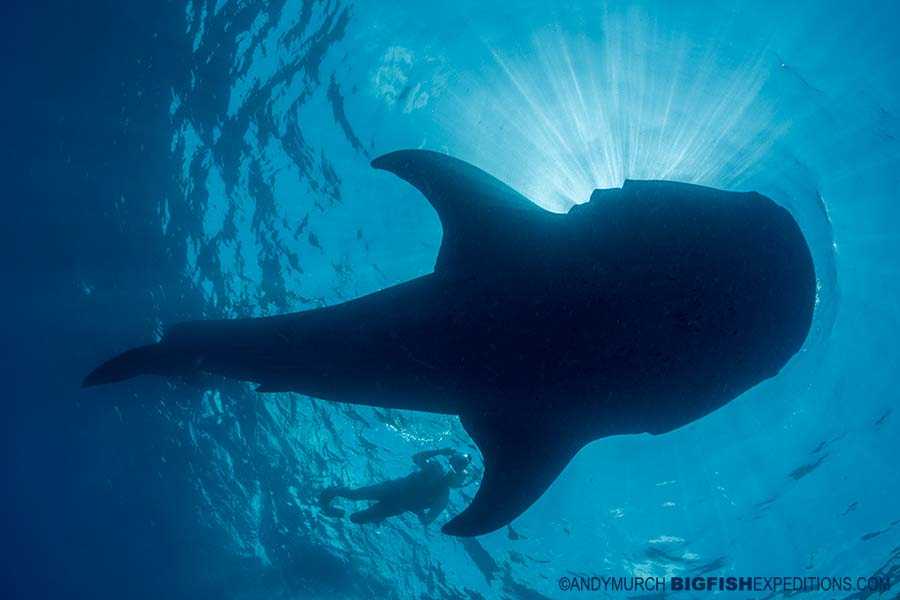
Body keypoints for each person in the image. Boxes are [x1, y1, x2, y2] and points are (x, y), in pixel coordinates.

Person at [320, 448, 473, 526]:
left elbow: (427, 521)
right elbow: (416, 458)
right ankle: (329, 495)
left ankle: (377, 517)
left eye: (457, 476)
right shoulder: (435, 469)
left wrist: (420, 512)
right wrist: (440, 451)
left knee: (356, 519)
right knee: (353, 495)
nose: (452, 477)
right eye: (455, 472)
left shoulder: (443, 497)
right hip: (390, 489)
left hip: (396, 506)